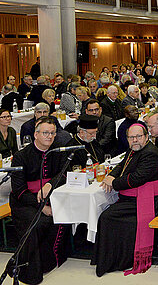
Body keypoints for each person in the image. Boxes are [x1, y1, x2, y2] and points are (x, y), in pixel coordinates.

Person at [92, 123, 158, 276]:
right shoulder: (134, 150)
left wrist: (113, 183)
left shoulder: (150, 153)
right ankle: (110, 259)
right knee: (108, 214)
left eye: (138, 136)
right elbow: (122, 164)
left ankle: (119, 261)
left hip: (151, 200)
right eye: (131, 137)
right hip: (137, 196)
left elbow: (136, 178)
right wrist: (111, 175)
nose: (135, 140)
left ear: (146, 137)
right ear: (127, 139)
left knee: (107, 217)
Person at [10, 116, 71, 285]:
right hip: (25, 201)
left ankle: (49, 261)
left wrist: (50, 184)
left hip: (51, 197)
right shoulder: (21, 156)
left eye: (52, 133)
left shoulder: (56, 151)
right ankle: (31, 271)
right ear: (36, 135)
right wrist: (41, 207)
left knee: (63, 215)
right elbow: (19, 190)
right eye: (45, 133)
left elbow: (64, 173)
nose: (50, 137)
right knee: (37, 223)